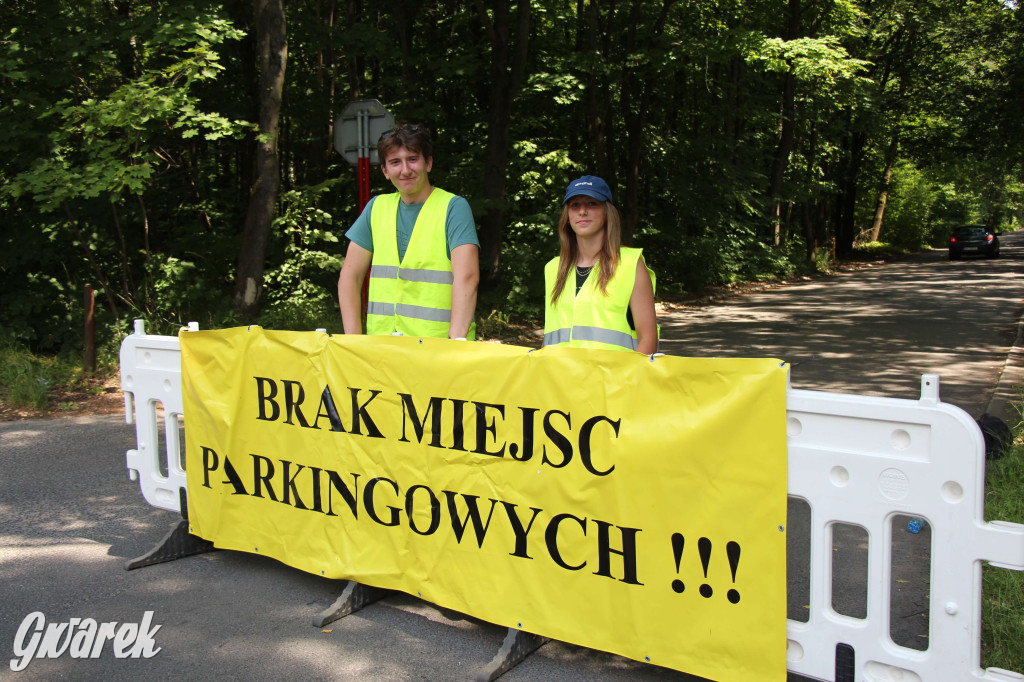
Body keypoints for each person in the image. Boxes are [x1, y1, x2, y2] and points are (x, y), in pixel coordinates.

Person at [337, 124, 479, 340]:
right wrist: (353, 340)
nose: (405, 169)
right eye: (395, 162)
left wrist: (455, 342)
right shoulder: (376, 208)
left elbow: (467, 277)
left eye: (412, 159)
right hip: (382, 348)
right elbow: (350, 276)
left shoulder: (453, 207)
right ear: (385, 171)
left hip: (438, 349)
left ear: (428, 163)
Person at [543, 175, 657, 353]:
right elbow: (549, 338)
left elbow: (648, 340)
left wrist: (622, 380)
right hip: (561, 379)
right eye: (575, 205)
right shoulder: (553, 269)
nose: (582, 211)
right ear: (567, 215)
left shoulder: (630, 264)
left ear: (606, 211)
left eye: (591, 204)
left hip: (614, 379)